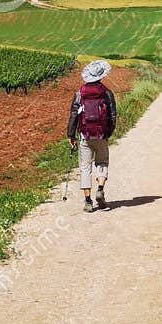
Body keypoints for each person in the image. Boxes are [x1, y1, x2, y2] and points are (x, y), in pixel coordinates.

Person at [67, 59, 116, 212]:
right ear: (101, 76)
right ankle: (100, 189)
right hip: (101, 135)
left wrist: (71, 134)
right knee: (102, 162)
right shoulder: (107, 93)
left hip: (84, 135)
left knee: (85, 167)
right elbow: (113, 115)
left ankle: (88, 201)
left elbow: (74, 114)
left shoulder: (79, 93)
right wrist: (108, 132)